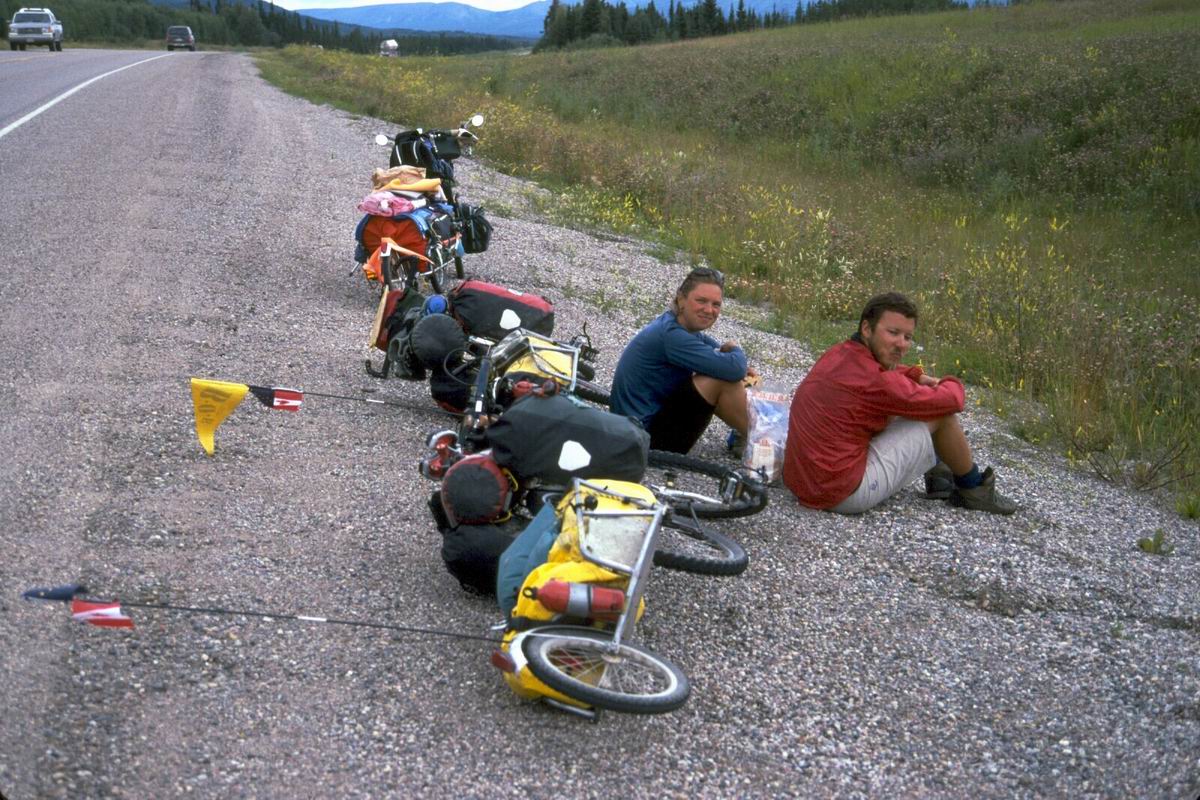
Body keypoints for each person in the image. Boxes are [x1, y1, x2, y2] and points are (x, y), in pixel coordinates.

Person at [783, 292, 1018, 515]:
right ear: (867, 328)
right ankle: (974, 488)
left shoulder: (838, 353)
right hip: (841, 494)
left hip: (802, 483)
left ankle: (941, 475)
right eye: (893, 332)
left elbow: (887, 377)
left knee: (910, 406)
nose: (901, 344)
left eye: (907, 337)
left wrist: (916, 376)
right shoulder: (879, 382)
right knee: (939, 414)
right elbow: (952, 400)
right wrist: (946, 381)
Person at [610, 267, 756, 454]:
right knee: (720, 380)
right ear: (681, 299)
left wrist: (737, 364)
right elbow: (733, 368)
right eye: (701, 301)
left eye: (716, 304)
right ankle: (768, 446)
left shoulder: (677, 326)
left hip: (636, 429)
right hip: (641, 441)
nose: (709, 310)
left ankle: (746, 435)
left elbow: (719, 355)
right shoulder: (671, 336)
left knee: (726, 371)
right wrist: (735, 347)